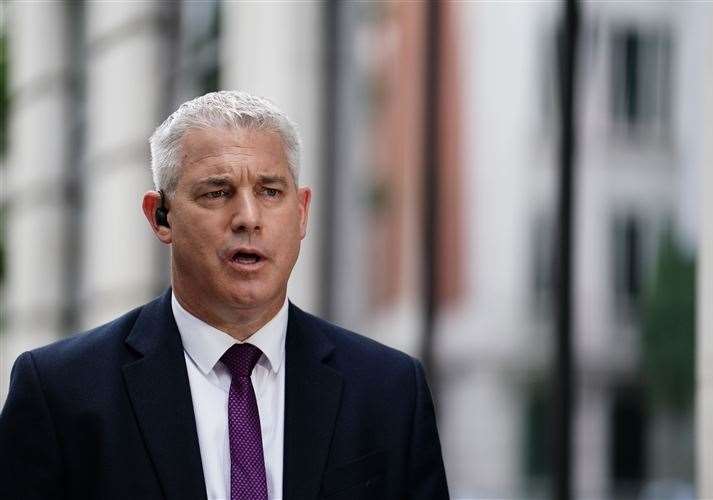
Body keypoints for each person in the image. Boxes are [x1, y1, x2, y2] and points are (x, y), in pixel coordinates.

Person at [0, 91, 448, 500]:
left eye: (270, 192)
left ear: (302, 211)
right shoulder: (61, 392)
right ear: (161, 217)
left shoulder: (389, 390)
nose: (248, 218)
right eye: (217, 192)